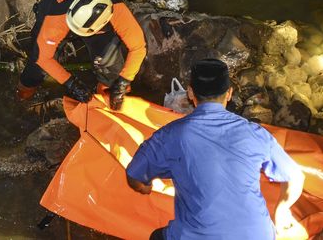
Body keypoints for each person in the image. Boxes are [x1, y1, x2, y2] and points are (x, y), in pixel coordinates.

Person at [126, 59, 305, 239]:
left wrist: (145, 186)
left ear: (190, 93)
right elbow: (296, 177)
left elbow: (134, 174)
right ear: (229, 93)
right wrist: (281, 211)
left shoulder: (170, 135)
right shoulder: (256, 133)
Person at [17, 0, 147, 109]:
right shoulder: (55, 21)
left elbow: (138, 48)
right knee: (36, 66)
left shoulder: (118, 10)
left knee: (109, 65)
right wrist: (71, 84)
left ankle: (107, 103)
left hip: (96, 21)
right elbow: (43, 58)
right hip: (56, 6)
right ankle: (23, 96)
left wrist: (123, 81)